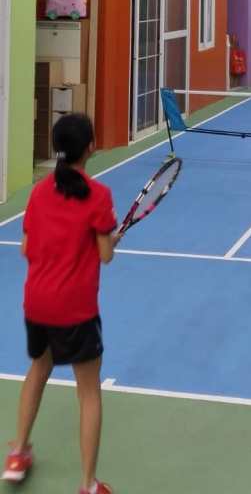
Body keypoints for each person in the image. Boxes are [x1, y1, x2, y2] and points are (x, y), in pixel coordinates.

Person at [2, 114, 118, 494]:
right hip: (76, 310)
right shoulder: (98, 195)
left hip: (37, 304)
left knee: (38, 368)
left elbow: (26, 248)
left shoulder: (38, 193)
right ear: (91, 148)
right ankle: (88, 485)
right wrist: (109, 240)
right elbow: (105, 255)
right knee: (89, 392)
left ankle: (17, 453)